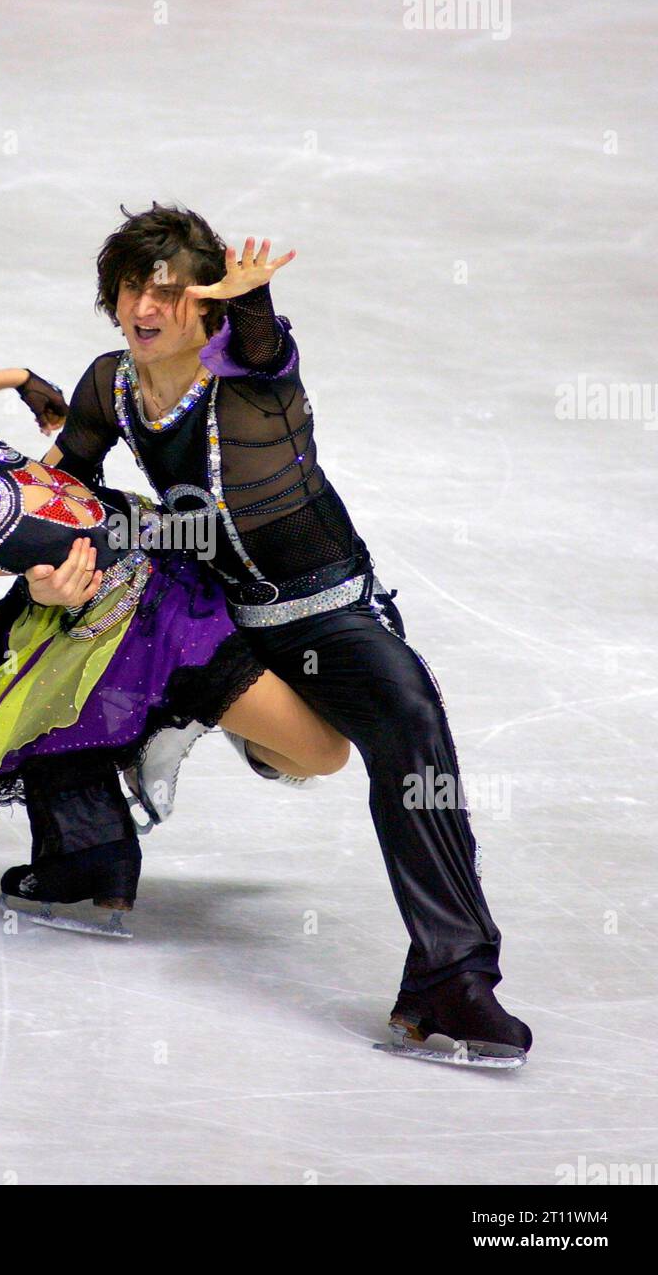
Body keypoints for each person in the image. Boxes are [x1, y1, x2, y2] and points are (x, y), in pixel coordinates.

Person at [27, 202, 533, 1065]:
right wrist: (43, 557)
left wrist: (253, 305)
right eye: (128, 291)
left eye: (172, 294)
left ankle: (450, 978)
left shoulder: (252, 377)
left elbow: (264, 348)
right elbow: (64, 482)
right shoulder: (109, 382)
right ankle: (82, 861)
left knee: (412, 725)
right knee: (49, 623)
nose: (145, 309)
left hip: (326, 615)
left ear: (210, 305)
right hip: (215, 611)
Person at [0, 328, 350, 927]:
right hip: (145, 621)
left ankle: (117, 827)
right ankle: (193, 728)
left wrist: (17, 378)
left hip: (168, 542)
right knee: (322, 753)